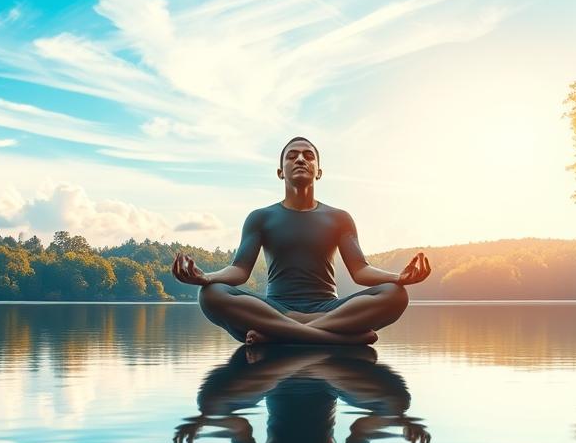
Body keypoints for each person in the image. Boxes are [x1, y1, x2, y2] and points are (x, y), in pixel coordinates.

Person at [171, 136, 431, 345]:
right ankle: (337, 339)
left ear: (318, 171)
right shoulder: (260, 217)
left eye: (308, 156)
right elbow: (239, 271)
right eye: (291, 155)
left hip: (328, 308)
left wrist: (399, 278)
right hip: (274, 308)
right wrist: (206, 277)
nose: (300, 159)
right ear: (279, 171)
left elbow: (360, 271)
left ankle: (279, 335)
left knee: (396, 295)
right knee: (210, 294)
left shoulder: (339, 218)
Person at [173, 345, 430, 443]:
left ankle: (300, 353)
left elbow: (241, 430)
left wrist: (206, 419)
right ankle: (316, 352)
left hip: (273, 381)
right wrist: (397, 420)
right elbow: (361, 430)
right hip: (330, 380)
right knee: (397, 402)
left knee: (209, 402)